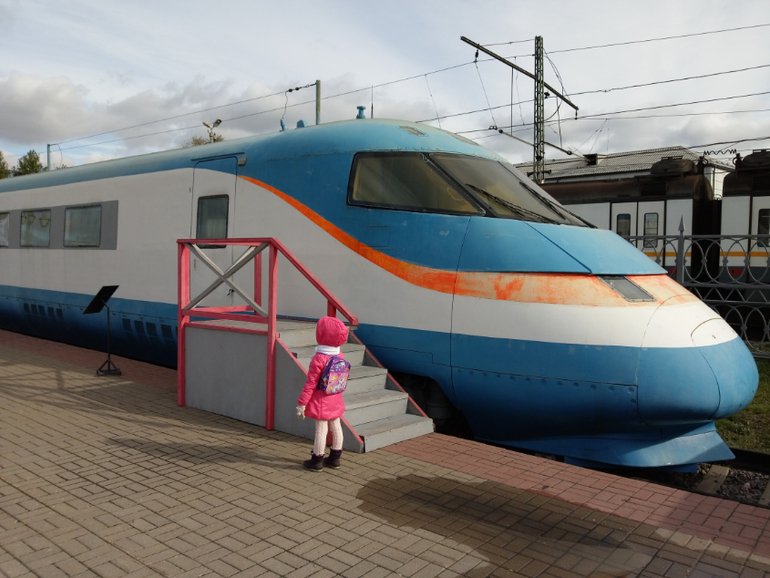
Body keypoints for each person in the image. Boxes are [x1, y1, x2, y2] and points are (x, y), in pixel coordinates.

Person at [296, 315, 348, 471]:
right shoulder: (340, 356)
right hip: (336, 399)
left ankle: (317, 459)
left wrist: (302, 403)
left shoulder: (318, 359)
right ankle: (335, 458)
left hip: (321, 401)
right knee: (336, 426)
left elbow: (310, 384)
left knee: (321, 429)